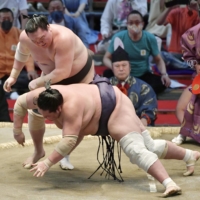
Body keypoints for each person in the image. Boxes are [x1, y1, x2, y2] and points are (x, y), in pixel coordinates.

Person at [12, 79, 200, 197]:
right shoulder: (42, 95)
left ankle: (169, 184)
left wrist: (47, 163)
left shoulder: (71, 109)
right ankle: (189, 156)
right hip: (104, 101)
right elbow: (20, 103)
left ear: (59, 109)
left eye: (48, 116)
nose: (47, 119)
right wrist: (17, 131)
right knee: (150, 146)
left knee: (136, 150)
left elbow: (69, 140)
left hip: (114, 109)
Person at [3, 14, 95, 170]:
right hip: (49, 76)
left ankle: (65, 156)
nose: (40, 43)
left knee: (75, 118)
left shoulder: (64, 38)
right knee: (36, 110)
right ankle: (38, 150)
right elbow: (22, 54)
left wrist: (37, 82)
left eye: (42, 38)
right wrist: (13, 76)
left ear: (48, 28)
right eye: (35, 41)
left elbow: (62, 72)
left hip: (79, 78)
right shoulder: (26, 37)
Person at [103, 10, 171, 94]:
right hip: (122, 75)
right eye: (131, 23)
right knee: (107, 75)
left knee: (162, 83)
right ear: (127, 24)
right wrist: (114, 68)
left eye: (137, 22)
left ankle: (128, 90)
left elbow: (158, 59)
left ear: (142, 23)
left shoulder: (150, 38)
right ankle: (137, 90)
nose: (134, 25)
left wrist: (164, 74)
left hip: (143, 75)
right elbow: (106, 58)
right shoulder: (118, 37)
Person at [0, 7, 37, 122]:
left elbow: (28, 54)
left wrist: (31, 69)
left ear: (13, 19)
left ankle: (11, 92)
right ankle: (11, 92)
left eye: (8, 18)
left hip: (16, 73)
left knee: (32, 81)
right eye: (3, 18)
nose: (6, 20)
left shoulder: (20, 34)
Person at [109, 46, 157, 126]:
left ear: (130, 67)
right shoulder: (104, 87)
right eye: (117, 66)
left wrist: (142, 123)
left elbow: (150, 109)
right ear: (112, 68)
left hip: (137, 127)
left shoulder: (143, 87)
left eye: (124, 65)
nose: (121, 69)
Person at [156, 0, 200, 70]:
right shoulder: (177, 11)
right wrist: (169, 7)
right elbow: (159, 23)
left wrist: (197, 9)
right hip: (175, 53)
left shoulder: (197, 14)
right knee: (161, 55)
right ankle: (188, 66)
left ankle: (186, 65)